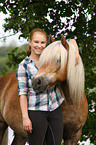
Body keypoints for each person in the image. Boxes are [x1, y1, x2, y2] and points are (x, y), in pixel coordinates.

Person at [16, 28, 79, 145]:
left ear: (46, 44)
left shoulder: (50, 59)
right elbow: (23, 94)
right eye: (36, 42)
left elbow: (69, 41)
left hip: (55, 109)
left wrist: (76, 52)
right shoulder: (23, 66)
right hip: (36, 111)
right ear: (30, 42)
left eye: (42, 43)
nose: (39, 46)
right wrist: (25, 118)